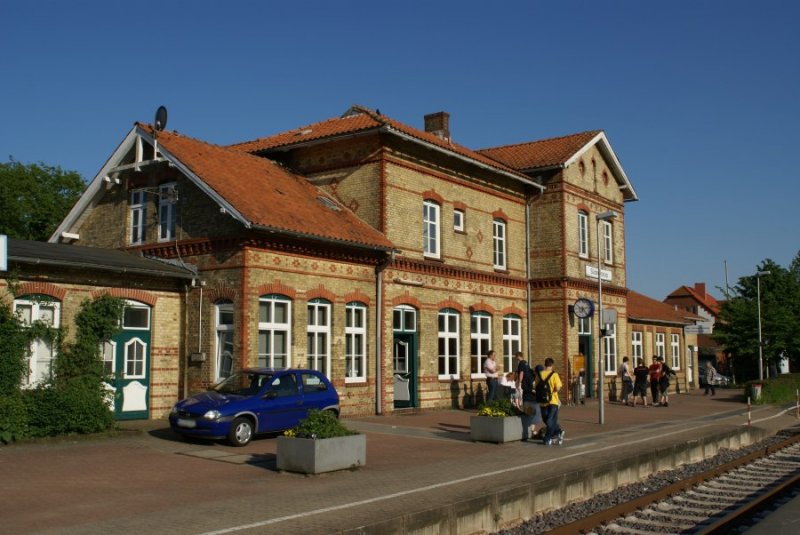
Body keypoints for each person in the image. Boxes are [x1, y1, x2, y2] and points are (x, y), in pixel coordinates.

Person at [537, 357, 564, 445]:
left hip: (542, 402)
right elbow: (558, 388)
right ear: (552, 365)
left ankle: (549, 437)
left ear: (545, 364)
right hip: (553, 401)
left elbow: (536, 386)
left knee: (546, 420)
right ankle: (557, 432)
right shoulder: (555, 375)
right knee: (550, 420)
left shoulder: (540, 374)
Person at [515, 351, 543, 440]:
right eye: (539, 373)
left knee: (535, 416)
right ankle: (526, 434)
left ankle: (531, 432)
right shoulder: (529, 376)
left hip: (534, 400)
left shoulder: (538, 378)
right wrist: (532, 390)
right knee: (529, 415)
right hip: (528, 399)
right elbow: (524, 386)